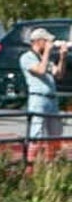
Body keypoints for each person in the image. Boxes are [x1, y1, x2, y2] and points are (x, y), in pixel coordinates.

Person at [20, 25, 69, 171]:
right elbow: (40, 70)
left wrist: (63, 57)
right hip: (38, 100)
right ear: (38, 41)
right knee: (37, 135)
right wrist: (47, 52)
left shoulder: (45, 58)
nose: (49, 44)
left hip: (51, 100)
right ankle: (30, 169)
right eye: (46, 41)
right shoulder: (26, 58)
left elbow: (59, 74)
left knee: (54, 137)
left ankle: (51, 169)